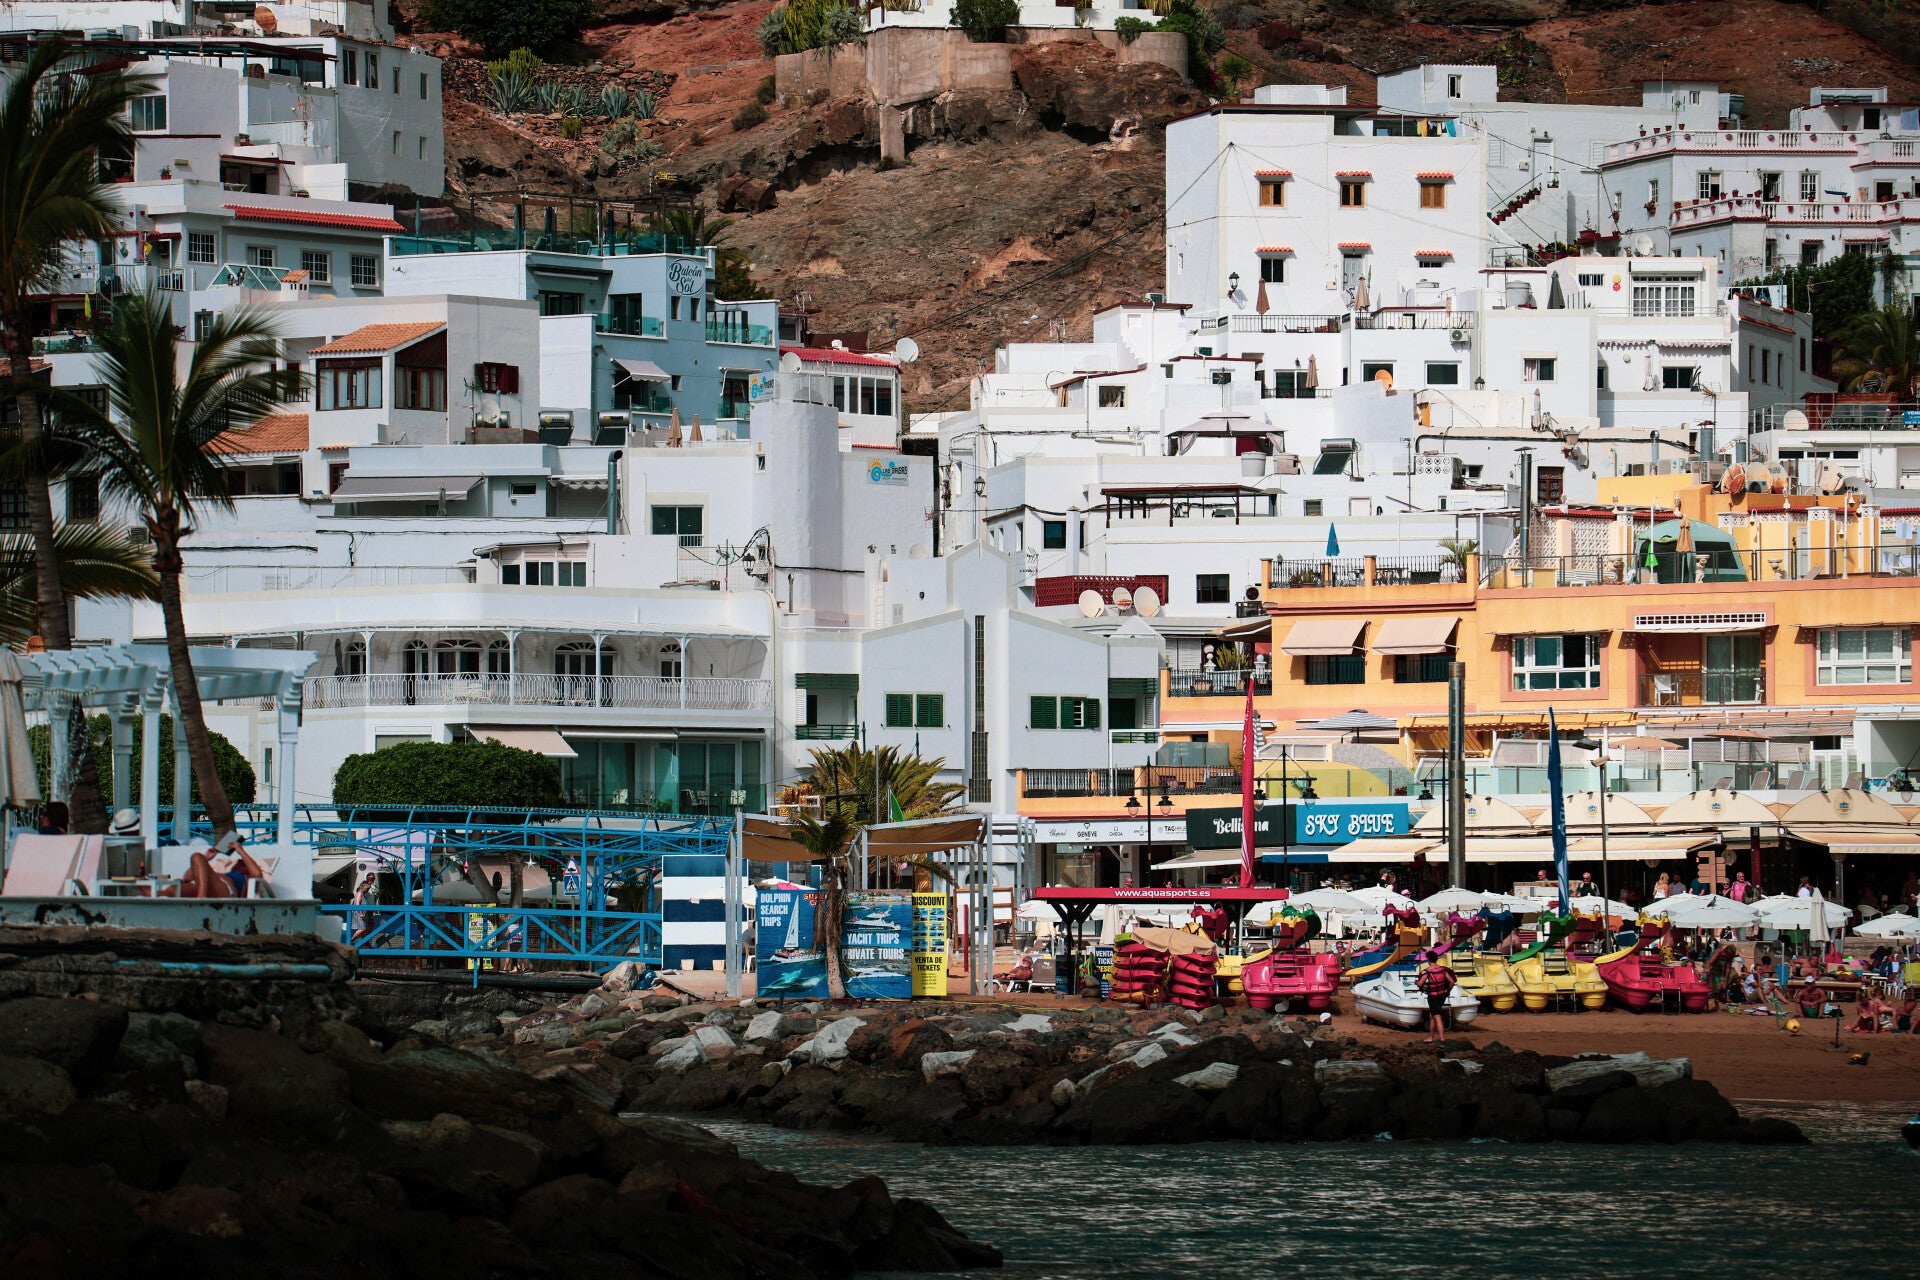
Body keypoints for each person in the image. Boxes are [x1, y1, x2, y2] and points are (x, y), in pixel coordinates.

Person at [1417, 951, 1456, 1044]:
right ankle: (1430, 1037)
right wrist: (1448, 991)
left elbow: (1420, 983)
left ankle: (1442, 1039)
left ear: (1428, 960)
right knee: (1432, 1016)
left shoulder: (1428, 971)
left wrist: (1416, 982)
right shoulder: (1442, 969)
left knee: (1437, 1017)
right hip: (1442, 995)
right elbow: (1452, 982)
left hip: (1433, 996)